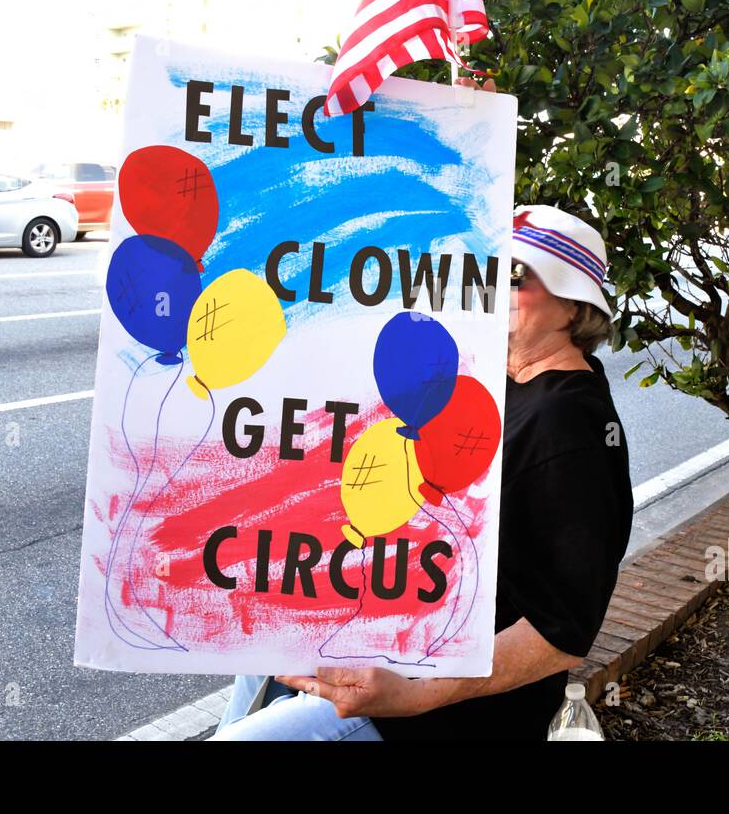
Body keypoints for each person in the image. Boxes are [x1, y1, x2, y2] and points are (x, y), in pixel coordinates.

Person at [209, 200, 635, 742]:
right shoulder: (494, 382)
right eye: (488, 267)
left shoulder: (567, 422)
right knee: (254, 667)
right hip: (377, 633)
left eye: (517, 275)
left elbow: (563, 629)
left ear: (574, 307)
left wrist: (417, 692)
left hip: (435, 707)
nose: (493, 285)